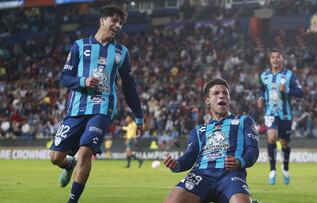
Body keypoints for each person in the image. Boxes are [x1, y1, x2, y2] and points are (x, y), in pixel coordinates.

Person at [49, 4, 144, 203]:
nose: (118, 25)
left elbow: (129, 86)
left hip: (102, 109)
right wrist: (83, 81)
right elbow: (65, 78)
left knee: (85, 152)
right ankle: (68, 164)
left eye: (121, 22)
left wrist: (139, 116)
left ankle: (72, 201)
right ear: (102, 20)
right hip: (76, 109)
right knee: (55, 157)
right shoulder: (79, 46)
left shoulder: (121, 52)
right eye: (114, 20)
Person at [163, 78, 259, 203]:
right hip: (201, 176)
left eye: (225, 93)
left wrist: (238, 162)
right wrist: (176, 164)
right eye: (216, 93)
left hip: (230, 176)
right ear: (207, 101)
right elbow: (190, 156)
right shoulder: (198, 131)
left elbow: (253, 150)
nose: (221, 96)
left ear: (229, 99)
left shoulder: (244, 121)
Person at [257, 49, 303, 185]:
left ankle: (286, 169)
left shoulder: (289, 75)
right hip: (270, 113)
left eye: (278, 57)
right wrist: (260, 98)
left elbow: (300, 92)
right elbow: (262, 89)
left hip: (285, 114)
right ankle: (272, 170)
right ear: (270, 60)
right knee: (271, 137)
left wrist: (288, 90)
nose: (275, 59)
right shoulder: (264, 76)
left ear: (282, 59)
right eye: (273, 57)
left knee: (284, 143)